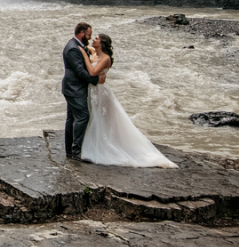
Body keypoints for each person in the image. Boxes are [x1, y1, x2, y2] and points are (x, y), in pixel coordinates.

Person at [77, 32, 178, 168]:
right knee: (94, 118)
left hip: (100, 93)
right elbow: (87, 47)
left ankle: (103, 147)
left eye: (96, 38)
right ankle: (94, 144)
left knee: (100, 119)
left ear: (102, 43)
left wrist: (83, 56)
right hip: (92, 91)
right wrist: (80, 45)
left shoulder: (106, 58)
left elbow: (92, 73)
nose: (93, 39)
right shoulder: (95, 52)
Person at [60, 21, 98, 160]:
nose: (90, 37)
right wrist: (95, 80)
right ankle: (76, 151)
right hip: (74, 88)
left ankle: (70, 150)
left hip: (73, 88)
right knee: (82, 116)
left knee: (72, 119)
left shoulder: (78, 46)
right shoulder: (73, 48)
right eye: (88, 35)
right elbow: (80, 71)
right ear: (81, 33)